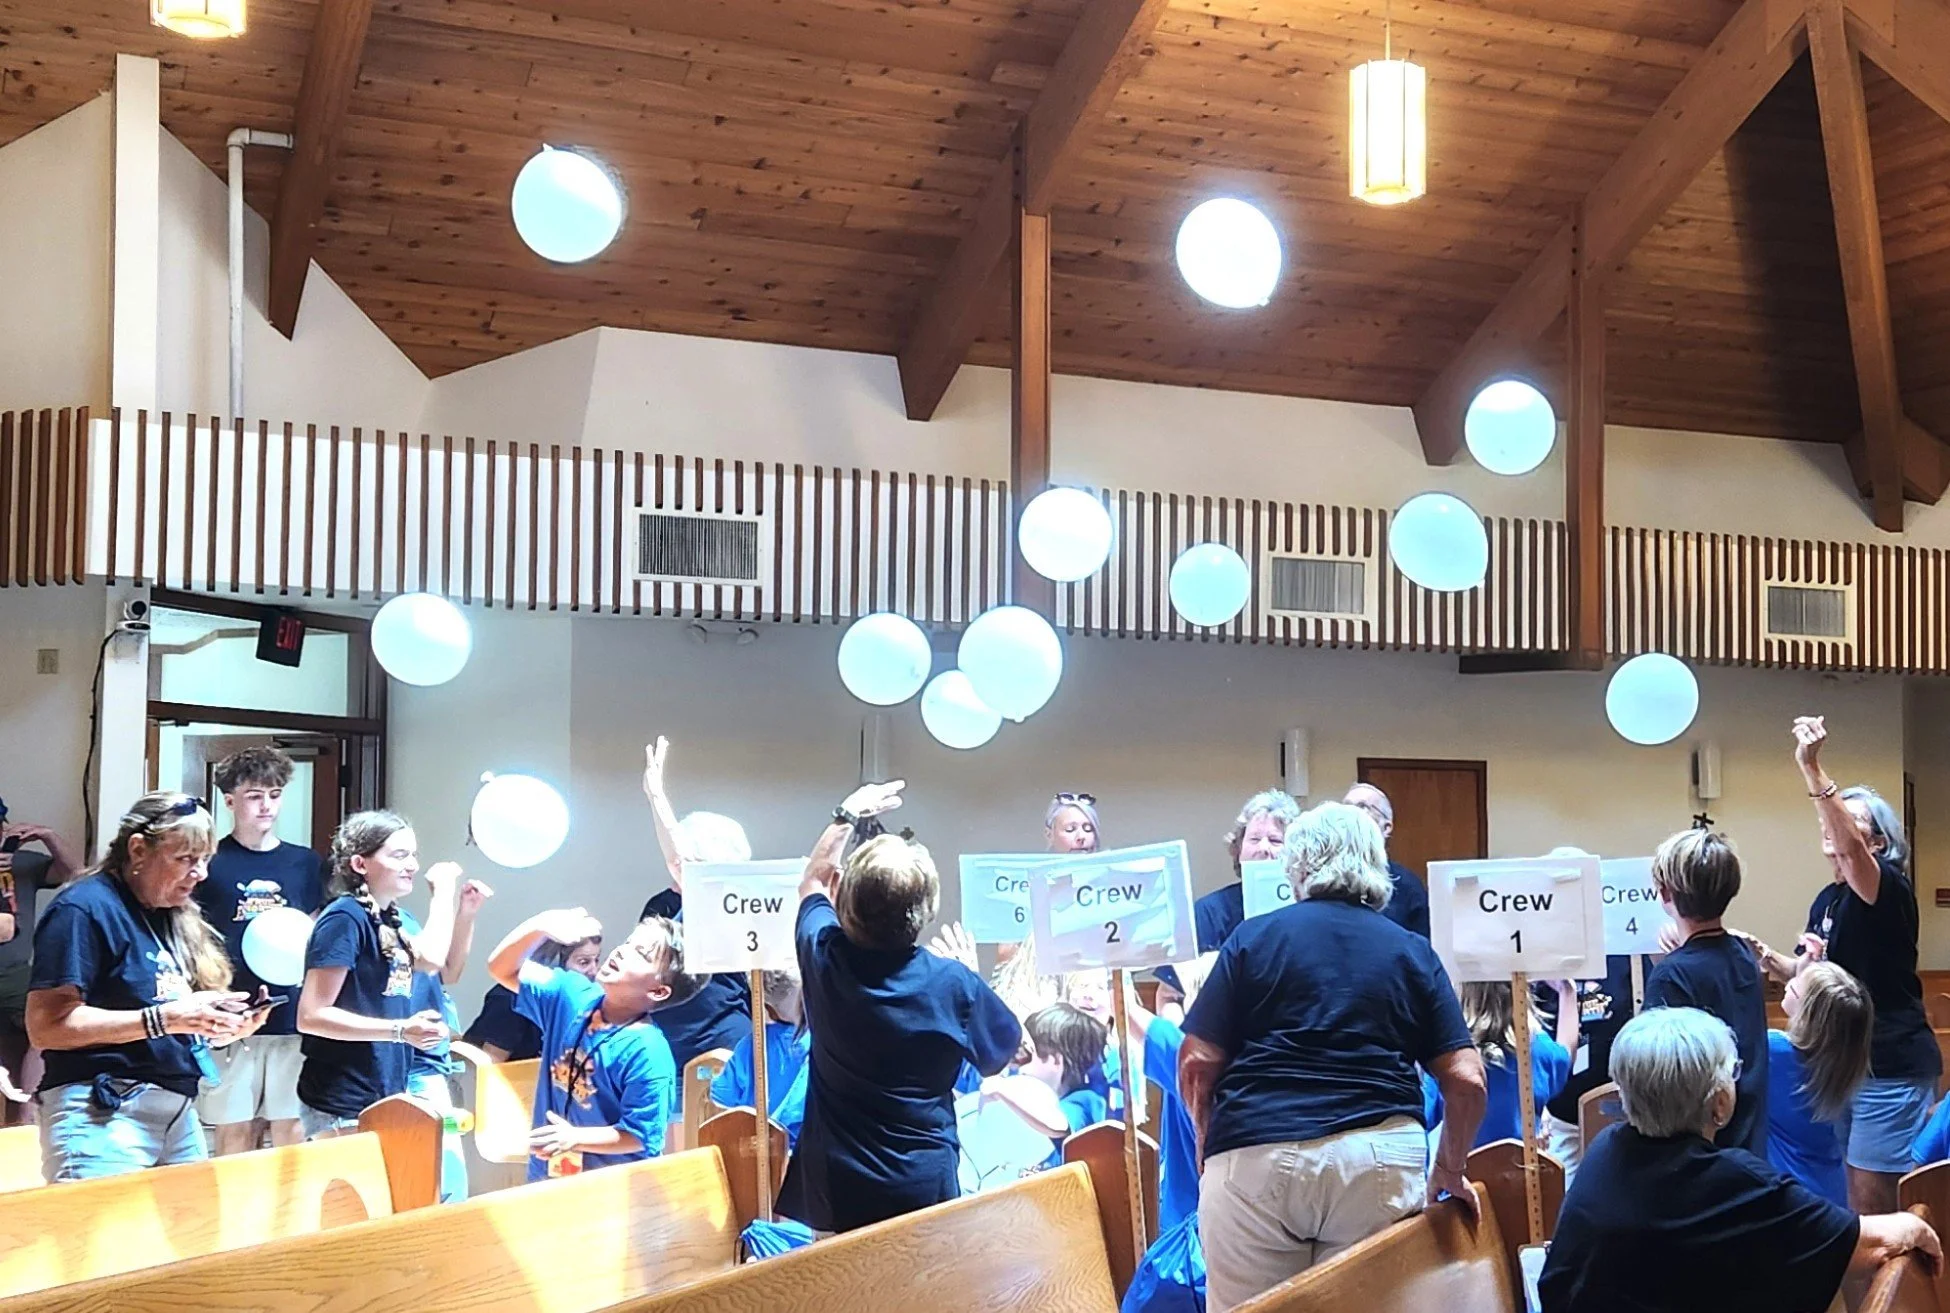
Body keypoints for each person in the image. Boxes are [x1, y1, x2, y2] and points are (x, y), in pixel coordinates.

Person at [1179, 800, 1487, 1312]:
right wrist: (1450, 1168)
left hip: (1255, 1155)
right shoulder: (1411, 950)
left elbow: (1197, 1061)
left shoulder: (1252, 938)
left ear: (1296, 865)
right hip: (1376, 1159)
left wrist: (1208, 1141)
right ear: (1377, 865)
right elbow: (1467, 1079)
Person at [1539, 1007, 1939, 1313]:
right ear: (1721, 1103)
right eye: (1732, 1073)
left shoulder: (1605, 1150)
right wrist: (1914, 1224)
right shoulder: (1732, 1181)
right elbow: (1865, 1245)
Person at [779, 780, 1022, 1235]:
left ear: (844, 899)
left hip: (836, 1184)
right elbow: (1000, 1055)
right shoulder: (955, 984)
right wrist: (970, 974)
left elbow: (812, 880)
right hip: (920, 1182)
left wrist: (846, 814)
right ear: (926, 908)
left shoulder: (824, 956)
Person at [1746, 718, 1939, 1214]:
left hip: (1889, 1064)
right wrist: (1777, 961)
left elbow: (1851, 855)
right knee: (1851, 1195)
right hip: (1844, 1063)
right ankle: (1865, 1292)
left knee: (1878, 1204)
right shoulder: (1828, 899)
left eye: (1850, 824)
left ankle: (1898, 1293)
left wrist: (1811, 769)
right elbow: (1818, 978)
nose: (1833, 829)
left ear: (1876, 844)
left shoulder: (1887, 887)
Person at [26, 793, 264, 1179]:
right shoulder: (83, 908)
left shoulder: (170, 915)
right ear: (138, 850)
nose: (200, 873)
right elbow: (45, 1027)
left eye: (205, 860)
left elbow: (170, 1021)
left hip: (178, 1111)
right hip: (102, 1112)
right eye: (186, 859)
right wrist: (163, 1019)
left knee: (198, 1239)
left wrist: (218, 1025)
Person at [296, 811, 483, 1139]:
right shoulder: (344, 918)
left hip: (386, 1091)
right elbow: (311, 1016)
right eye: (399, 856)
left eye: (414, 855)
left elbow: (434, 964)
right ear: (360, 864)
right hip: (343, 1101)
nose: (411, 865)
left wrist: (464, 912)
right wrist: (442, 892)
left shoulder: (391, 918)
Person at [488, 906, 702, 1180]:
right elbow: (501, 969)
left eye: (642, 954)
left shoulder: (647, 1050)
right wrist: (540, 926)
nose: (623, 951)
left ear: (658, 991)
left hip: (609, 1191)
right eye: (628, 942)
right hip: (547, 1177)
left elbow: (639, 1136)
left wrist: (575, 1137)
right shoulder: (571, 993)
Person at [192, 747, 325, 1155]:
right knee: (234, 1131)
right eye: (254, 795)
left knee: (292, 1130)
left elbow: (318, 933)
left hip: (291, 1017)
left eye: (274, 793)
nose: (266, 805)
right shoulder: (209, 863)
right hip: (231, 1017)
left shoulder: (305, 863)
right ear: (230, 801)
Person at [1642, 827, 1769, 1155]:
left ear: (1666, 893)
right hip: (1748, 1141)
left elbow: (1658, 1083)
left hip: (1698, 1153)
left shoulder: (1672, 975)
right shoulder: (1743, 954)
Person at [638, 737, 757, 1068]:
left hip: (724, 1044)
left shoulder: (735, 904)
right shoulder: (660, 906)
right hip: (664, 1045)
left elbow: (685, 866)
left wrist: (657, 798)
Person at [0, 799, 83, 1129]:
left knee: (51, 1020)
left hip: (15, 972)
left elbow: (79, 875)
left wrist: (49, 836)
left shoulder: (22, 863)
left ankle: (27, 1111)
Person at [1766, 962, 1873, 1207]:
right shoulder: (1840, 1061)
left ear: (1808, 1012)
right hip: (1830, 1190)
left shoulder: (1775, 1050)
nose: (1790, 982)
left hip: (1789, 1194)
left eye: (1797, 983)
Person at [991, 791, 1102, 1018]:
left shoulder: (1110, 888)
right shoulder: (1023, 887)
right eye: (1070, 830)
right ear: (1049, 834)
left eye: (1088, 829)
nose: (1081, 837)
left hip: (1095, 1000)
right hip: (1037, 1001)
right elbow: (1005, 955)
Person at [1425, 980, 1570, 1151]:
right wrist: (1567, 991)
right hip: (1523, 1172)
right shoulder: (1540, 1050)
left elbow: (1424, 1116)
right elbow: (1566, 1055)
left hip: (1462, 1174)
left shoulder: (1447, 1056)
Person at [1533, 956, 1634, 1181]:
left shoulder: (1626, 956)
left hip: (1622, 1113)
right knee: (1562, 1201)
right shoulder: (1541, 963)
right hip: (1560, 1116)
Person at [463, 930, 603, 1063]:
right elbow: (490, 1065)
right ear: (555, 963)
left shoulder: (580, 1001)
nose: (594, 971)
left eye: (596, 960)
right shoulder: (510, 999)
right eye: (584, 962)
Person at [710, 968, 812, 1148]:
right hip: (806, 1149)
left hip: (757, 1152)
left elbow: (722, 1099)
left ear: (767, 1008)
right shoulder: (823, 1042)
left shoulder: (750, 1046)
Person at [1192, 789, 1301, 952]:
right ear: (1238, 849)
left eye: (1275, 840)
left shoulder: (1308, 909)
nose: (1263, 848)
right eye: (1254, 839)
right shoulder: (1209, 912)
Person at [1341, 783, 1429, 938]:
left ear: (1386, 827)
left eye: (1362, 806)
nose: (1351, 814)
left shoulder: (1407, 886)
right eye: (1346, 807)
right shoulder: (1324, 879)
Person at [1018, 1003, 1110, 1142]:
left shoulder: (1085, 1101)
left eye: (1028, 1055)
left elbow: (1057, 1126)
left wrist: (1001, 1091)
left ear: (1055, 1060)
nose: (1020, 1067)